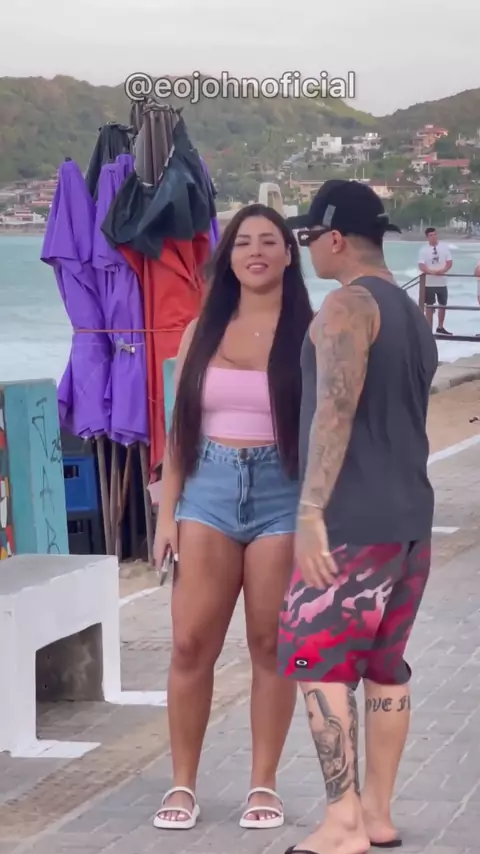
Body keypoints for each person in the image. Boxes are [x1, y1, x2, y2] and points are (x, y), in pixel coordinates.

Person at [278, 180, 438, 854]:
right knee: (384, 665)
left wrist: (311, 508)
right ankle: (376, 813)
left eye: (309, 237)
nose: (307, 248)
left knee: (316, 658)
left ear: (335, 238)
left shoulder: (347, 305)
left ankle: (342, 821)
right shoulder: (410, 313)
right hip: (410, 520)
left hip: (352, 520)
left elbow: (334, 412)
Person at [153, 204, 313, 830]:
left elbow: (330, 426)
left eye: (269, 241)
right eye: (243, 242)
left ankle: (263, 785)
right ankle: (182, 785)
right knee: (191, 642)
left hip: (282, 493)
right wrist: (167, 517)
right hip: (208, 492)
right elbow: (179, 430)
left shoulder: (311, 332)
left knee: (270, 643)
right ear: (229, 257)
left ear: (288, 255)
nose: (256, 252)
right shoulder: (203, 328)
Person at [418, 226, 453, 334]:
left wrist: (444, 270)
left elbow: (449, 262)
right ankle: (428, 329)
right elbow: (421, 265)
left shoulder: (444, 248)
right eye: (431, 235)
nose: (433, 237)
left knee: (442, 304)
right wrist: (430, 271)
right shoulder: (423, 250)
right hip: (429, 283)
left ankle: (440, 327)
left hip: (442, 282)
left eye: (435, 234)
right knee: (429, 306)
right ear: (427, 237)